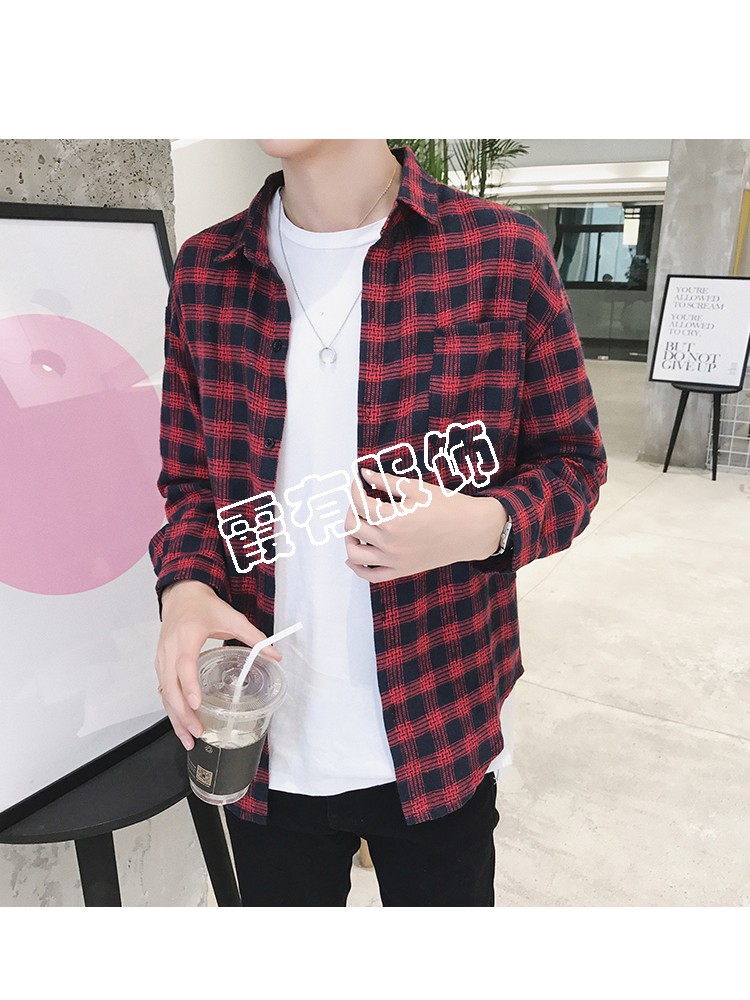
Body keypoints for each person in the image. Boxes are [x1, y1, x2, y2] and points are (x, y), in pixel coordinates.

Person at [149, 140, 608, 907]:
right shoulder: (207, 272)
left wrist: (482, 526)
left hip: (440, 726)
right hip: (262, 740)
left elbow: (574, 465)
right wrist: (186, 587)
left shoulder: (501, 254)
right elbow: (192, 484)